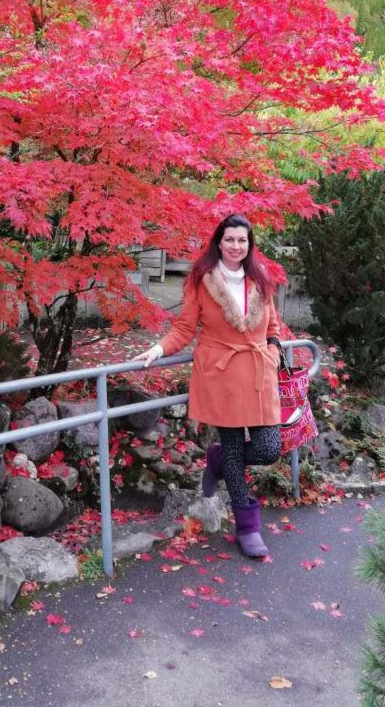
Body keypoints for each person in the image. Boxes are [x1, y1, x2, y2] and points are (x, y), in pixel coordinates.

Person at [133, 214, 283, 557]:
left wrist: (273, 351)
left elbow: (273, 325)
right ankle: (247, 526)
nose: (235, 246)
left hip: (259, 373)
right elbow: (185, 328)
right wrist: (158, 349)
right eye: (229, 239)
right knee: (234, 448)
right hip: (222, 374)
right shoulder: (202, 279)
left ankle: (216, 461)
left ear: (249, 244)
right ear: (219, 242)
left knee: (268, 448)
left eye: (242, 240)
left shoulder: (260, 278)